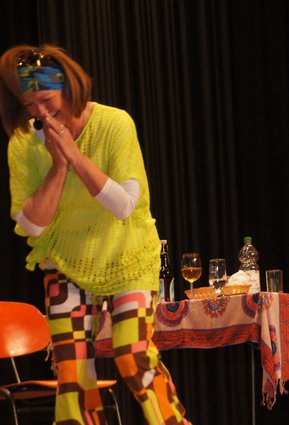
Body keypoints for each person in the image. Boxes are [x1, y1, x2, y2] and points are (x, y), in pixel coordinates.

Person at [0, 44, 190, 424]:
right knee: (73, 372)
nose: (40, 112)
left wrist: (74, 155)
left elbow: (124, 205)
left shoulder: (114, 123)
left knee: (133, 354)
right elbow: (32, 225)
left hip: (126, 255)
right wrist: (58, 167)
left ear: (68, 88)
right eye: (29, 104)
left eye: (47, 100)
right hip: (65, 260)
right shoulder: (24, 142)